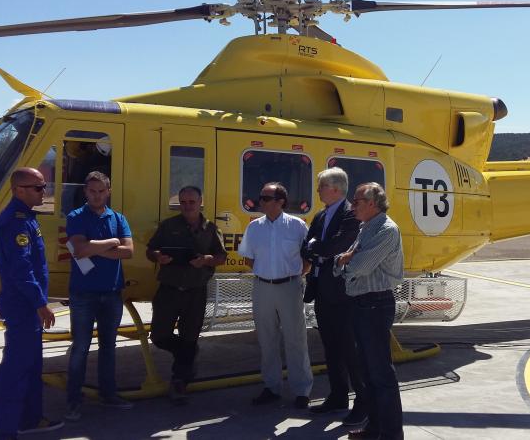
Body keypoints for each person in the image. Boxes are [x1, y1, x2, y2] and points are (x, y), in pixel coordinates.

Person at [0, 167, 63, 439]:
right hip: (23, 307)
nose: (44, 191)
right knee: (15, 370)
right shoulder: (16, 221)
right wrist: (39, 303)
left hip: (29, 308)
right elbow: (21, 269)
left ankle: (31, 418)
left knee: (32, 367)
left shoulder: (28, 219)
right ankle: (4, 432)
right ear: (18, 190)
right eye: (38, 187)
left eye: (44, 186)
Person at [334, 183, 405, 440]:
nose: (352, 206)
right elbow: (339, 262)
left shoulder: (386, 230)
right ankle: (374, 429)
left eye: (357, 201)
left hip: (375, 305)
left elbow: (358, 266)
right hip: (361, 304)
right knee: (367, 372)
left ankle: (391, 434)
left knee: (381, 374)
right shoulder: (365, 228)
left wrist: (348, 260)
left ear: (373, 203)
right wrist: (346, 261)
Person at [146, 186, 227, 404]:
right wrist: (158, 257)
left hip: (195, 291)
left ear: (200, 202)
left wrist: (206, 260)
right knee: (159, 336)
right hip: (169, 289)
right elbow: (151, 249)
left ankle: (179, 382)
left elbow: (221, 256)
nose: (187, 206)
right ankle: (187, 356)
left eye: (191, 202)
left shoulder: (210, 228)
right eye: (183, 202)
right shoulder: (169, 225)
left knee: (189, 336)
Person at [64, 171, 134, 420]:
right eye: (92, 191)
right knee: (80, 348)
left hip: (112, 293)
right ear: (85, 192)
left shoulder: (118, 218)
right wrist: (111, 242)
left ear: (108, 191)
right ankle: (73, 400)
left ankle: (109, 394)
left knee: (108, 347)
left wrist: (95, 247)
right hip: (83, 295)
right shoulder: (75, 217)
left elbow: (128, 252)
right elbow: (79, 250)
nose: (96, 195)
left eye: (101, 191)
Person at [238, 182, 314, 408]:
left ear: (280, 201)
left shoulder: (298, 226)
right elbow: (248, 257)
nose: (261, 201)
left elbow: (309, 258)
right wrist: (266, 273)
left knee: (295, 339)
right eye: (261, 197)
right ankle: (271, 387)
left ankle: (302, 390)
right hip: (262, 287)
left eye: (266, 198)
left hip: (290, 287)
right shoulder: (254, 227)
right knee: (266, 339)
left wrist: (292, 276)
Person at [302, 168, 367, 425]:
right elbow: (308, 244)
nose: (317, 191)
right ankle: (338, 396)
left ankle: (363, 402)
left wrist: (316, 248)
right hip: (322, 291)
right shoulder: (320, 215)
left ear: (335, 189)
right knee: (331, 348)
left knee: (350, 350)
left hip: (343, 294)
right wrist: (315, 249)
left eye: (321, 187)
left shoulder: (351, 214)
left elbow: (336, 246)